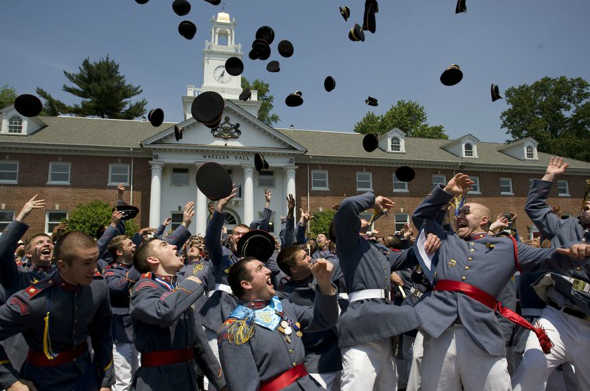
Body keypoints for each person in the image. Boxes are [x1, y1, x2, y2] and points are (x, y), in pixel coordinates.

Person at [411, 173, 590, 391]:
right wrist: (447, 192)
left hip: (481, 333)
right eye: (458, 212)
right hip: (439, 329)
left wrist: (576, 252)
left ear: (484, 220)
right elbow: (421, 217)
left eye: (466, 212)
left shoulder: (509, 247)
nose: (459, 215)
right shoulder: (447, 239)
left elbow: (548, 258)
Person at [333, 191, 440, 391]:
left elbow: (410, 256)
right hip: (362, 325)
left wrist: (432, 218)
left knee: (388, 385)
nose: (363, 218)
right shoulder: (348, 244)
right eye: (359, 217)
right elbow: (348, 205)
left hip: (383, 327)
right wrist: (372, 200)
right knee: (358, 384)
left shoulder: (375, 249)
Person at [0, 231, 114, 391]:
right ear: (63, 265)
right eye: (86, 263)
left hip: (86, 378)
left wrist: (106, 381)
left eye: (95, 261)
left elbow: (102, 336)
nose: (94, 268)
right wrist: (11, 381)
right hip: (44, 380)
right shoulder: (33, 301)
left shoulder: (98, 288)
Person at [512, 157, 590, 391]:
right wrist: (549, 177)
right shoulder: (566, 226)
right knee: (531, 369)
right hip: (558, 317)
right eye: (585, 205)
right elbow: (535, 207)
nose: (586, 207)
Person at [218, 256, 339, 391]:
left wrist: (324, 283)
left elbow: (325, 319)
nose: (268, 270)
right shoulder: (233, 330)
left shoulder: (283, 307)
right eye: (260, 268)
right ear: (246, 284)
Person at [129, 237, 225, 391]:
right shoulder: (145, 287)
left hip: (186, 377)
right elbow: (162, 312)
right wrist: (192, 283)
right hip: (157, 381)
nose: (175, 246)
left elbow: (198, 342)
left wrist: (220, 382)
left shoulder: (178, 286)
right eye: (164, 245)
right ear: (153, 259)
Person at [276, 245, 345, 391]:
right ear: (293, 269)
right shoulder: (285, 295)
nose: (310, 257)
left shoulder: (323, 271)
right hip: (315, 362)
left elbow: (347, 258)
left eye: (307, 254)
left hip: (342, 352)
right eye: (304, 257)